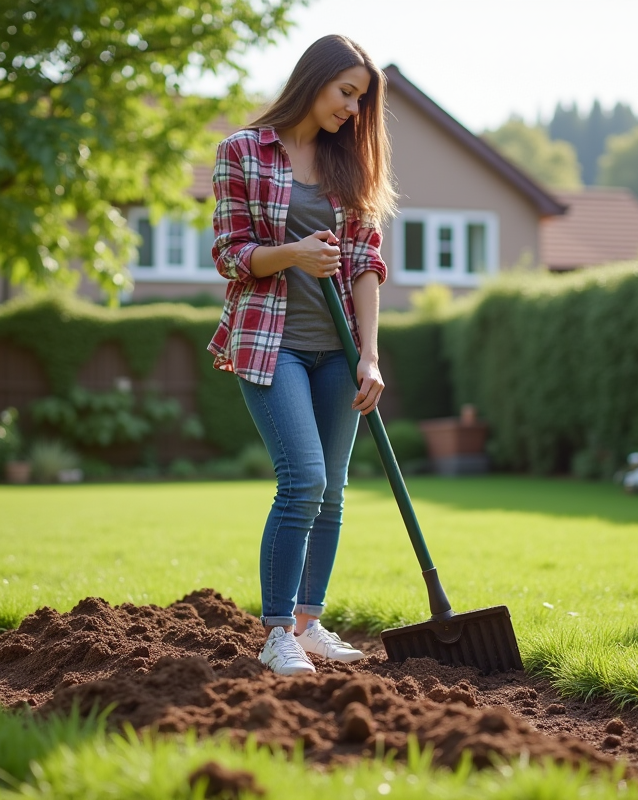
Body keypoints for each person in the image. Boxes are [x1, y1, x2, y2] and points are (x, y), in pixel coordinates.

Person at [207, 35, 396, 676]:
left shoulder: (351, 164)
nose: (352, 108)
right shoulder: (242, 152)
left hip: (340, 350)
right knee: (305, 479)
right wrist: (293, 254)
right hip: (271, 343)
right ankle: (277, 631)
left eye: (361, 99)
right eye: (346, 92)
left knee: (334, 491)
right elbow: (230, 255)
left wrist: (370, 355)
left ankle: (310, 625)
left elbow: (367, 262)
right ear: (312, 80)